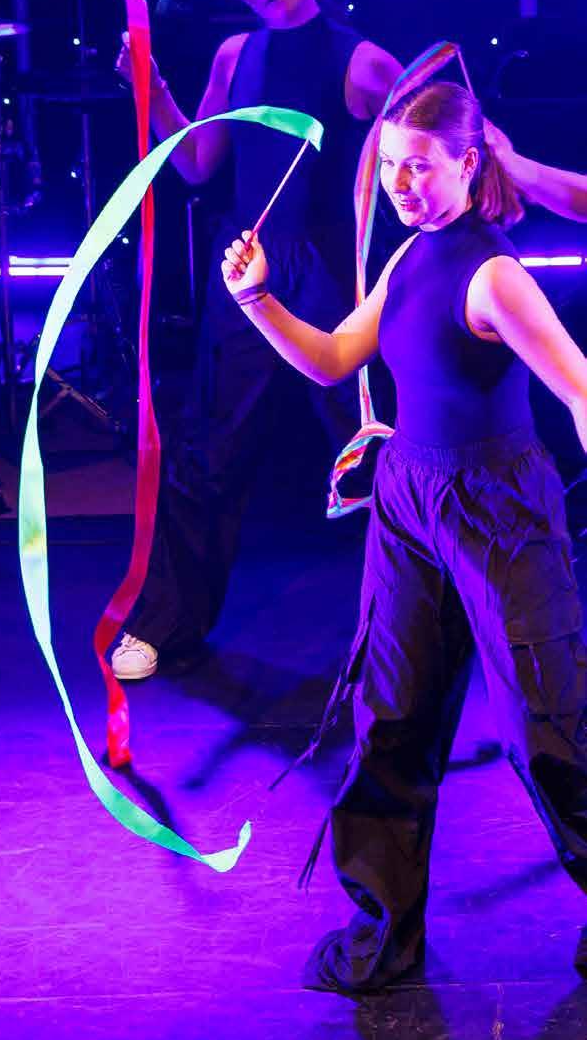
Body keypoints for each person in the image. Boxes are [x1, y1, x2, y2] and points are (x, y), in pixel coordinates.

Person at [220, 81, 587, 993]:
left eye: (419, 167)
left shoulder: (492, 275)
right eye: (388, 166)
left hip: (499, 510)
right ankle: (383, 929)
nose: (400, 184)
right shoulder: (409, 256)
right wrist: (257, 298)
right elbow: (333, 357)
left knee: (549, 730)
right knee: (390, 718)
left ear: (467, 163)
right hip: (409, 503)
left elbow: (580, 390)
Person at [107, 0, 402, 681]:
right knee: (208, 447)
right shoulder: (235, 55)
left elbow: (428, 142)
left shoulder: (362, 60)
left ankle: (426, 626)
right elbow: (197, 162)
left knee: (376, 450)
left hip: (334, 274)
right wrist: (152, 87)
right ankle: (166, 624)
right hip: (246, 266)